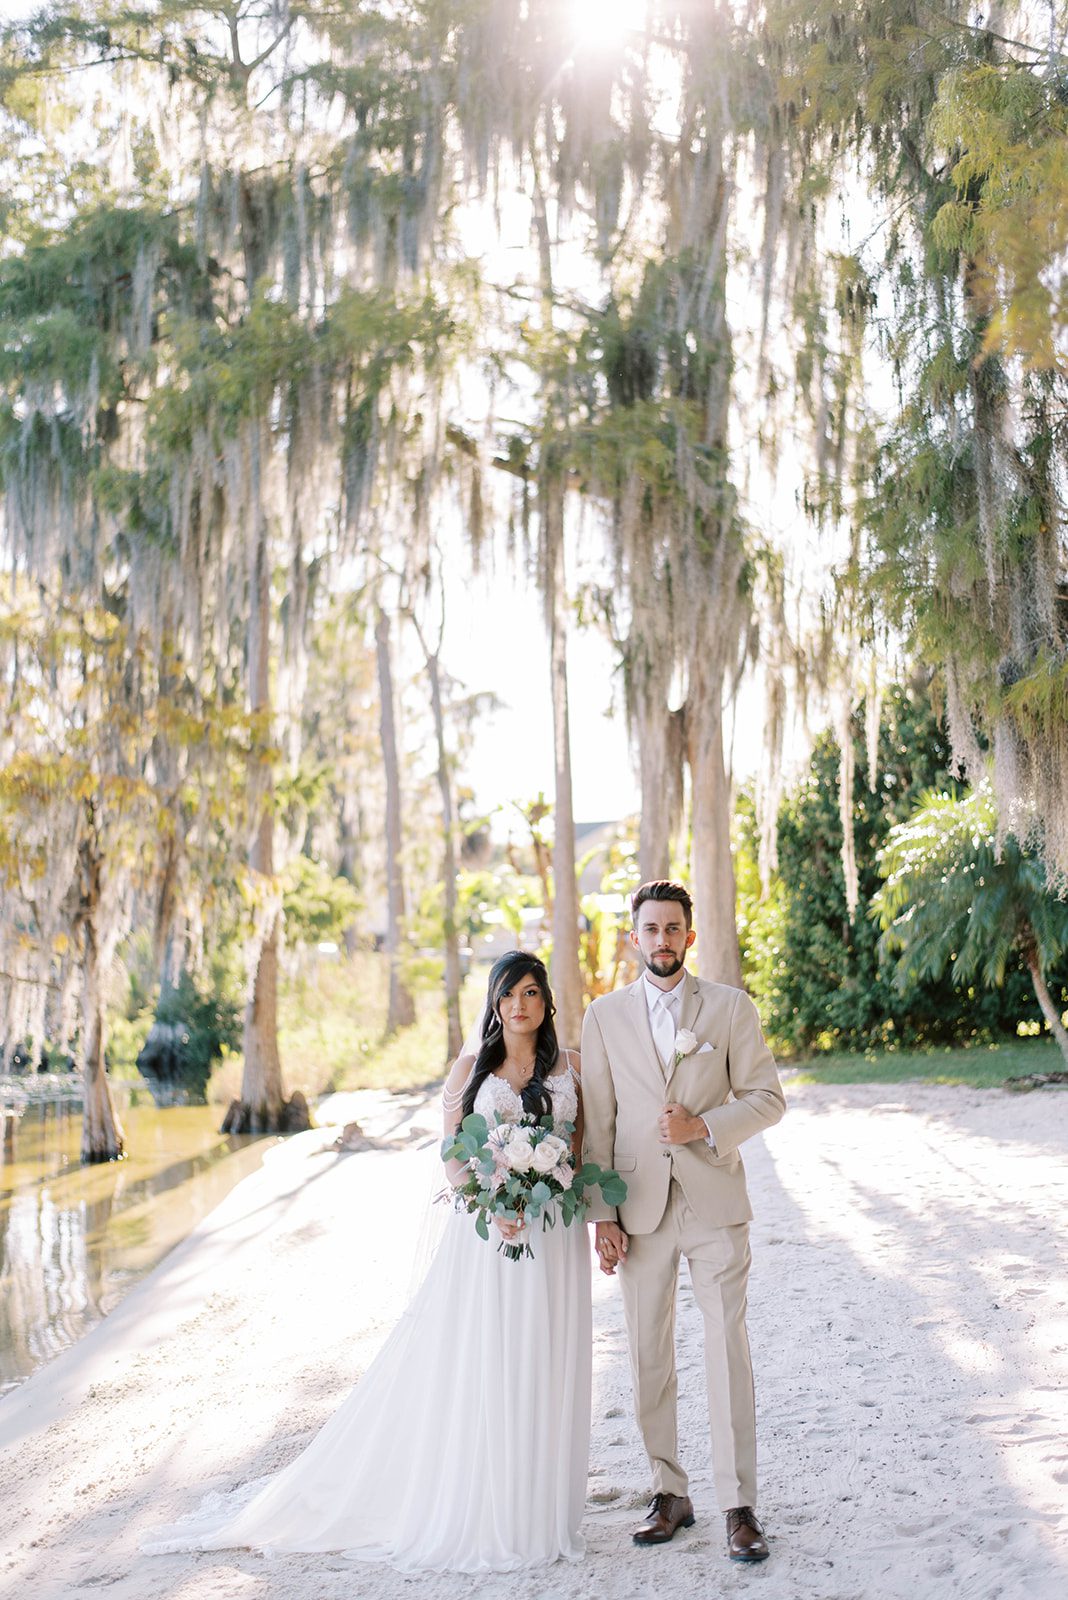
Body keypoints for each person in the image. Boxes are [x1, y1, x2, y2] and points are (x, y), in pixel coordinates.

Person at [142, 951, 591, 1573]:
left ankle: (540, 1501)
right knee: (491, 1359)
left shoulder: (571, 1068)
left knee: (546, 1356)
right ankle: (492, 1502)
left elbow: (577, 1145)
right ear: (493, 1004)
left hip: (552, 1236)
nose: (520, 1005)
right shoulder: (469, 1069)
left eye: (532, 993)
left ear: (547, 1003)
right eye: (508, 994)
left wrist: (553, 1183)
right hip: (491, 1237)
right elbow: (454, 1159)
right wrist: (492, 1198)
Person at [580, 880, 785, 1564]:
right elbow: (599, 1124)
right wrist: (602, 1215)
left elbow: (767, 1099)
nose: (662, 940)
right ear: (632, 937)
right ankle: (670, 1492)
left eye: (674, 929)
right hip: (639, 1211)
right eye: (651, 929)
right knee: (647, 1355)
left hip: (715, 1205)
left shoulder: (729, 1009)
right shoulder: (604, 1016)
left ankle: (739, 1505)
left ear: (688, 937)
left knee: (728, 1348)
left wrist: (702, 1124)